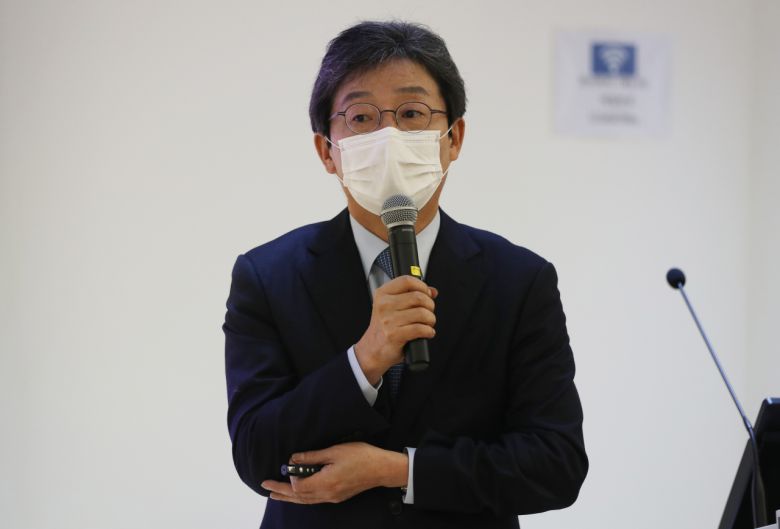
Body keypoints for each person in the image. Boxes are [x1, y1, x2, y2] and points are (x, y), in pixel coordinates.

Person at [223, 20, 588, 529]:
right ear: (326, 151)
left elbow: (555, 465)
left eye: (412, 113)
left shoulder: (520, 280)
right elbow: (256, 453)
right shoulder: (267, 276)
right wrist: (365, 360)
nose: (389, 136)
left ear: (454, 137)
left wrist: (400, 471)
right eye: (361, 117)